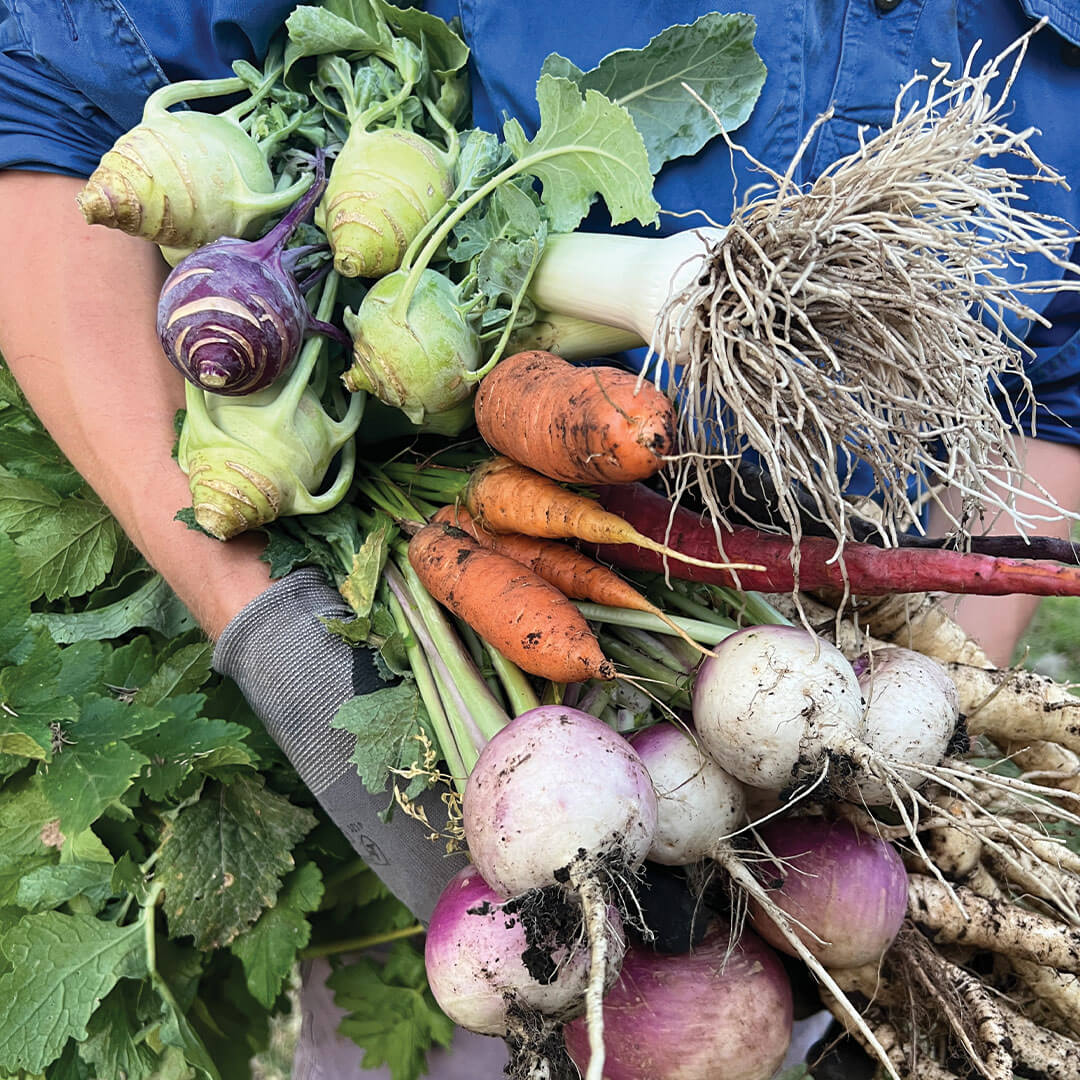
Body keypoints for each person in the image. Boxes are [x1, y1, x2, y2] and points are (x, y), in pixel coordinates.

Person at [1, 2, 1078, 1077]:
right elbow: (51, 95)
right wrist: (268, 626)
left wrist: (918, 726)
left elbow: (1051, 393)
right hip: (480, 776)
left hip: (820, 772)